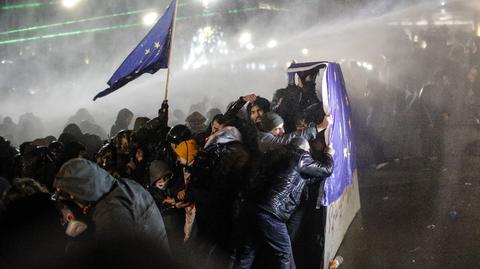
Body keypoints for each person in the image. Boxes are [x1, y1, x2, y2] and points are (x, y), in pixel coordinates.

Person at [234, 137, 334, 269]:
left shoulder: (276, 155)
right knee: (284, 255)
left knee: (247, 253)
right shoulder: (300, 157)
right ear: (305, 149)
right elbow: (326, 170)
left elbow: (297, 179)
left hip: (251, 207)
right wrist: (328, 154)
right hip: (270, 213)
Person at [53, 158, 170, 254]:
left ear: (83, 189)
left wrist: (77, 243)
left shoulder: (110, 211)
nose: (73, 200)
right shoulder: (124, 185)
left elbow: (112, 258)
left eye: (72, 195)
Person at [257, 112, 331, 153]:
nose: (283, 131)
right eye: (277, 129)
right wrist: (321, 126)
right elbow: (290, 138)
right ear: (268, 130)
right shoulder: (264, 140)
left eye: (282, 127)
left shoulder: (265, 131)